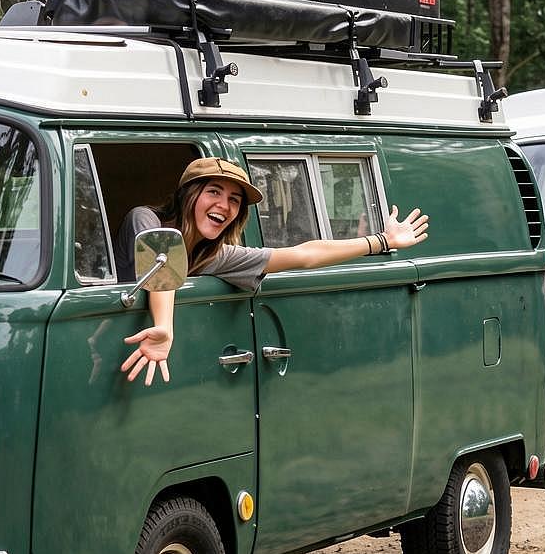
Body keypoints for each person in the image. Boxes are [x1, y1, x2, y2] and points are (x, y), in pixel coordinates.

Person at [119, 156, 429, 385]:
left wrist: (382, 240)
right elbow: (162, 263)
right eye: (214, 191)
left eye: (234, 200)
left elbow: (304, 254)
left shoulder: (216, 256)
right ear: (189, 195)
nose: (224, 205)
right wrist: (165, 327)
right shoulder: (145, 219)